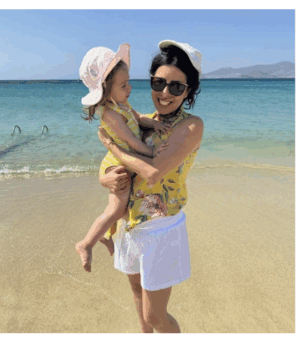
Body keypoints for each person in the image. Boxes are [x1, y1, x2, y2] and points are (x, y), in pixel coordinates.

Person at [97, 40, 205, 333]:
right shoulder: (142, 121)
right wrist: (103, 178)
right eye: (158, 83)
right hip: (129, 225)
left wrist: (113, 148)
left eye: (176, 87)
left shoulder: (191, 126)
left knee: (156, 316)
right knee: (138, 303)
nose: (165, 93)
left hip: (161, 229)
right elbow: (118, 169)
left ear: (190, 91)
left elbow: (154, 173)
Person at [75, 43, 167, 273]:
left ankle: (105, 236)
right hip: (118, 165)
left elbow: (139, 119)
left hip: (124, 159)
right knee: (116, 211)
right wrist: (153, 154)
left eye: (129, 82)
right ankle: (85, 244)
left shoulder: (123, 105)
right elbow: (132, 142)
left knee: (119, 207)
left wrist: (154, 123)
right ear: (106, 91)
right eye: (124, 85)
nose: (130, 88)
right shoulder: (111, 115)